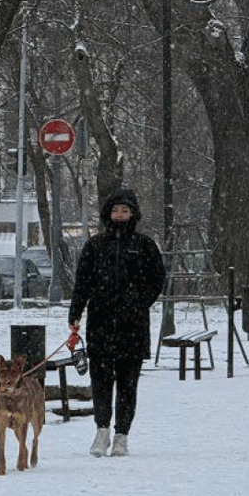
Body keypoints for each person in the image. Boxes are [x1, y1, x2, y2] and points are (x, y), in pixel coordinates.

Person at [68, 187, 165, 457]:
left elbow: (157, 279)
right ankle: (102, 431)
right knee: (100, 382)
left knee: (127, 384)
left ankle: (122, 435)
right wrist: (75, 313)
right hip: (100, 324)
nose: (120, 215)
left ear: (133, 214)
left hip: (133, 327)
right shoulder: (95, 246)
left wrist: (139, 302)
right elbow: (82, 283)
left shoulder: (144, 245)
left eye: (125, 210)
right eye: (115, 210)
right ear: (107, 214)